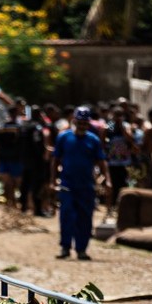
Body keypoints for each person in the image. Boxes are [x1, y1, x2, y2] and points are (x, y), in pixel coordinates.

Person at [51, 105, 107, 260]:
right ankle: (65, 247)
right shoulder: (64, 137)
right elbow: (55, 159)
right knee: (66, 216)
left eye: (85, 123)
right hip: (67, 184)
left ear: (88, 123)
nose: (82, 125)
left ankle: (81, 249)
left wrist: (106, 180)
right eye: (79, 122)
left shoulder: (93, 140)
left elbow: (101, 161)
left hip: (86, 185)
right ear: (74, 121)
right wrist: (52, 180)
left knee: (85, 218)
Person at [0, 103, 25, 206]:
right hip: (11, 158)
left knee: (10, 183)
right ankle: (11, 203)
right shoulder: (19, 127)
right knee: (11, 183)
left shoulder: (5, 127)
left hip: (11, 158)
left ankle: (12, 203)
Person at [104, 111, 136, 211]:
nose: (118, 118)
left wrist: (122, 128)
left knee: (125, 184)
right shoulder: (110, 126)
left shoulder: (126, 126)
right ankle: (110, 207)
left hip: (124, 162)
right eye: (116, 116)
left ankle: (124, 206)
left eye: (119, 116)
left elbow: (130, 139)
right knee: (112, 185)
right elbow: (103, 137)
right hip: (112, 162)